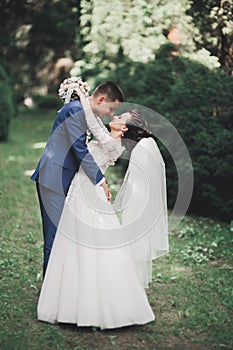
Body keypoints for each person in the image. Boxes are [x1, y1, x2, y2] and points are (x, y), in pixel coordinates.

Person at [37, 87, 169, 329]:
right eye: (113, 110)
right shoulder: (98, 129)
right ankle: (67, 293)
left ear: (125, 129)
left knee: (79, 242)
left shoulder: (111, 143)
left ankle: (73, 296)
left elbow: (85, 146)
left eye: (118, 116)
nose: (112, 116)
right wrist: (78, 94)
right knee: (69, 241)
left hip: (87, 190)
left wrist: (100, 179)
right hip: (80, 186)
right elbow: (89, 127)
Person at [31, 78, 124, 277]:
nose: (111, 115)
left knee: (62, 234)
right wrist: (101, 181)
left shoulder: (83, 112)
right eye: (111, 109)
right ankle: (50, 290)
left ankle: (59, 287)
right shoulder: (75, 110)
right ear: (101, 99)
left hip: (65, 177)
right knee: (54, 236)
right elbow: (79, 149)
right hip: (54, 178)